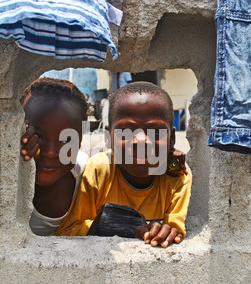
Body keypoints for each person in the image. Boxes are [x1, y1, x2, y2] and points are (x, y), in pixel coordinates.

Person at [55, 81, 192, 248]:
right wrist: (109, 225)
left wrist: (166, 233)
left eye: (155, 131)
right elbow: (68, 232)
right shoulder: (99, 170)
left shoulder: (177, 177)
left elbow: (174, 231)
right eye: (126, 130)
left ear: (171, 139)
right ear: (108, 138)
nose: (140, 141)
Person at [20, 77, 89, 236]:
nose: (50, 152)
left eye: (67, 140)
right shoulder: (1, 177)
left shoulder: (88, 177)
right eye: (36, 135)